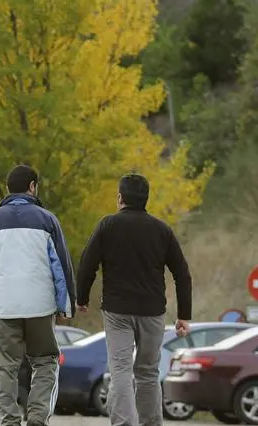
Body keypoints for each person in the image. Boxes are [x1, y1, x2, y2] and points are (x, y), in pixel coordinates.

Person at [75, 173, 192, 426]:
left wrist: (81, 297)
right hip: (152, 312)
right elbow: (182, 273)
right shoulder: (162, 230)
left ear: (120, 198)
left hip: (117, 312)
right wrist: (184, 315)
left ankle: (124, 423)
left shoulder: (107, 225)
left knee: (120, 371)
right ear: (145, 199)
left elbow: (87, 264)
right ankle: (151, 422)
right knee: (148, 372)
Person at [0, 165, 75, 426]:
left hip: (3, 306)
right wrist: (65, 304)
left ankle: (9, 420)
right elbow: (60, 266)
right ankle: (38, 417)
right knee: (45, 362)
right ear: (32, 186)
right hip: (40, 305)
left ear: (7, 189)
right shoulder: (47, 219)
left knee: (5, 367)